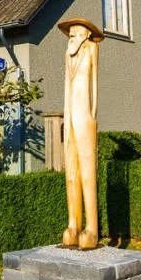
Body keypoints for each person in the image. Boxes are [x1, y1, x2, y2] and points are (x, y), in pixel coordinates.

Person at [58, 18, 104, 250]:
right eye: (70, 33)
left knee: (87, 172)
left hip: (85, 116)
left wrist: (92, 114)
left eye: (76, 32)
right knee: (71, 173)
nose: (72, 36)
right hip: (70, 115)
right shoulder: (68, 55)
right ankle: (73, 225)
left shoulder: (91, 49)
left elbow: (94, 87)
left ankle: (92, 228)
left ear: (86, 34)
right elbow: (67, 86)